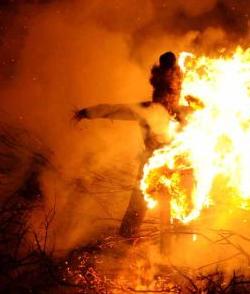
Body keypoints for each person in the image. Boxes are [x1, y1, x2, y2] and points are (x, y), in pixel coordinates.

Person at [75, 52, 187, 239]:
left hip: (171, 169)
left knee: (166, 211)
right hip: (149, 167)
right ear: (156, 89)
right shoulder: (145, 110)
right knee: (138, 206)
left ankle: (165, 251)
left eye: (170, 92)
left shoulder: (182, 114)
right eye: (162, 91)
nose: (166, 97)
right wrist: (88, 112)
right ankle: (124, 243)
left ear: (175, 92)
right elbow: (115, 109)